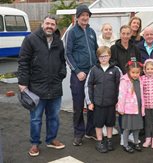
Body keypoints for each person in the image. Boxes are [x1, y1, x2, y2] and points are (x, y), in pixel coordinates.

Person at [18, 15, 66, 157]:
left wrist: (61, 74)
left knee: (54, 116)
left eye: (52, 24)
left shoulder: (59, 42)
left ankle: (51, 139)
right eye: (47, 23)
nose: (49, 26)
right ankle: (34, 144)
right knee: (36, 118)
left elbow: (62, 61)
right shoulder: (30, 39)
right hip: (36, 87)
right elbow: (23, 62)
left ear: (55, 27)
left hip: (55, 86)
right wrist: (23, 82)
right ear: (42, 24)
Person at [65, 4, 98, 146]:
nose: (85, 17)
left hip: (92, 75)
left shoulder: (92, 32)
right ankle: (78, 133)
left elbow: (96, 50)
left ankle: (90, 131)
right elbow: (67, 54)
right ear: (77, 17)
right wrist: (77, 71)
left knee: (92, 104)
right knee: (78, 105)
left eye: (87, 15)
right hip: (79, 75)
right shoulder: (72, 32)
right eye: (82, 15)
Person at [85, 46, 120, 153]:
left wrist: (119, 102)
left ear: (109, 56)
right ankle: (99, 141)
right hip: (98, 104)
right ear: (98, 57)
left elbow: (121, 86)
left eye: (105, 56)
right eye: (101, 57)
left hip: (111, 104)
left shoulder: (116, 70)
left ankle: (109, 140)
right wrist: (89, 102)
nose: (103, 58)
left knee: (110, 123)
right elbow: (88, 86)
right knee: (98, 124)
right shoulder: (94, 70)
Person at [117, 61, 145, 153]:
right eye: (133, 72)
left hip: (138, 109)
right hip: (128, 109)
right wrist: (120, 108)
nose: (135, 75)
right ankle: (125, 145)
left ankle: (136, 142)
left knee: (137, 127)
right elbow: (121, 95)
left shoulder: (140, 80)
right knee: (127, 128)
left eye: (137, 72)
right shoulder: (124, 80)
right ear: (129, 71)